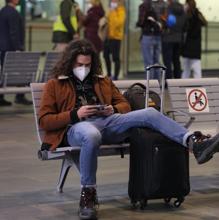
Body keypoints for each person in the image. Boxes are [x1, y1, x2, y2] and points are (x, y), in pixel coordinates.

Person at [38, 39, 219, 219]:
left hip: (108, 122)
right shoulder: (55, 84)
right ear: (70, 62)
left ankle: (194, 143)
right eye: (79, 64)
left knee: (148, 113)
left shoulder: (101, 81)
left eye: (87, 64)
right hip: (76, 128)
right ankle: (88, 195)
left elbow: (123, 103)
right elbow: (45, 121)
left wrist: (113, 109)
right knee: (91, 134)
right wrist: (76, 114)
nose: (83, 68)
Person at [0, 0, 32, 106]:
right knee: (21, 71)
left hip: (3, 47)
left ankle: (1, 97)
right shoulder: (13, 12)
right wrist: (18, 48)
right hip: (12, 48)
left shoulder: (2, 11)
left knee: (5, 71)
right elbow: (13, 32)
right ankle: (20, 96)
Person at [136, 0, 162, 80]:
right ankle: (158, 84)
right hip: (157, 35)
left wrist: (138, 24)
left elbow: (141, 21)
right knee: (156, 61)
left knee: (148, 62)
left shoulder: (143, 6)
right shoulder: (160, 4)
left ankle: (150, 85)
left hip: (147, 35)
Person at [181, 0, 207, 78]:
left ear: (188, 5)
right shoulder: (198, 15)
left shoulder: (188, 17)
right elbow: (205, 23)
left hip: (187, 46)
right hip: (195, 48)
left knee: (186, 70)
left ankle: (182, 86)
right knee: (197, 70)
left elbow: (186, 29)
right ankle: (199, 87)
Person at [161, 0, 186, 79]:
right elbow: (185, 24)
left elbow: (165, 22)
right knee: (176, 61)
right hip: (178, 38)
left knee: (167, 62)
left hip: (168, 38)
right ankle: (177, 80)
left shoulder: (168, 8)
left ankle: (168, 81)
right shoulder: (182, 9)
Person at [103, 0, 126, 80]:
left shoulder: (121, 10)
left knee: (115, 58)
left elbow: (118, 23)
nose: (113, 2)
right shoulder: (110, 10)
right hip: (107, 37)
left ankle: (116, 76)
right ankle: (109, 74)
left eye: (115, 1)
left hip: (116, 37)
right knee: (105, 55)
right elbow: (106, 20)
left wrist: (112, 12)